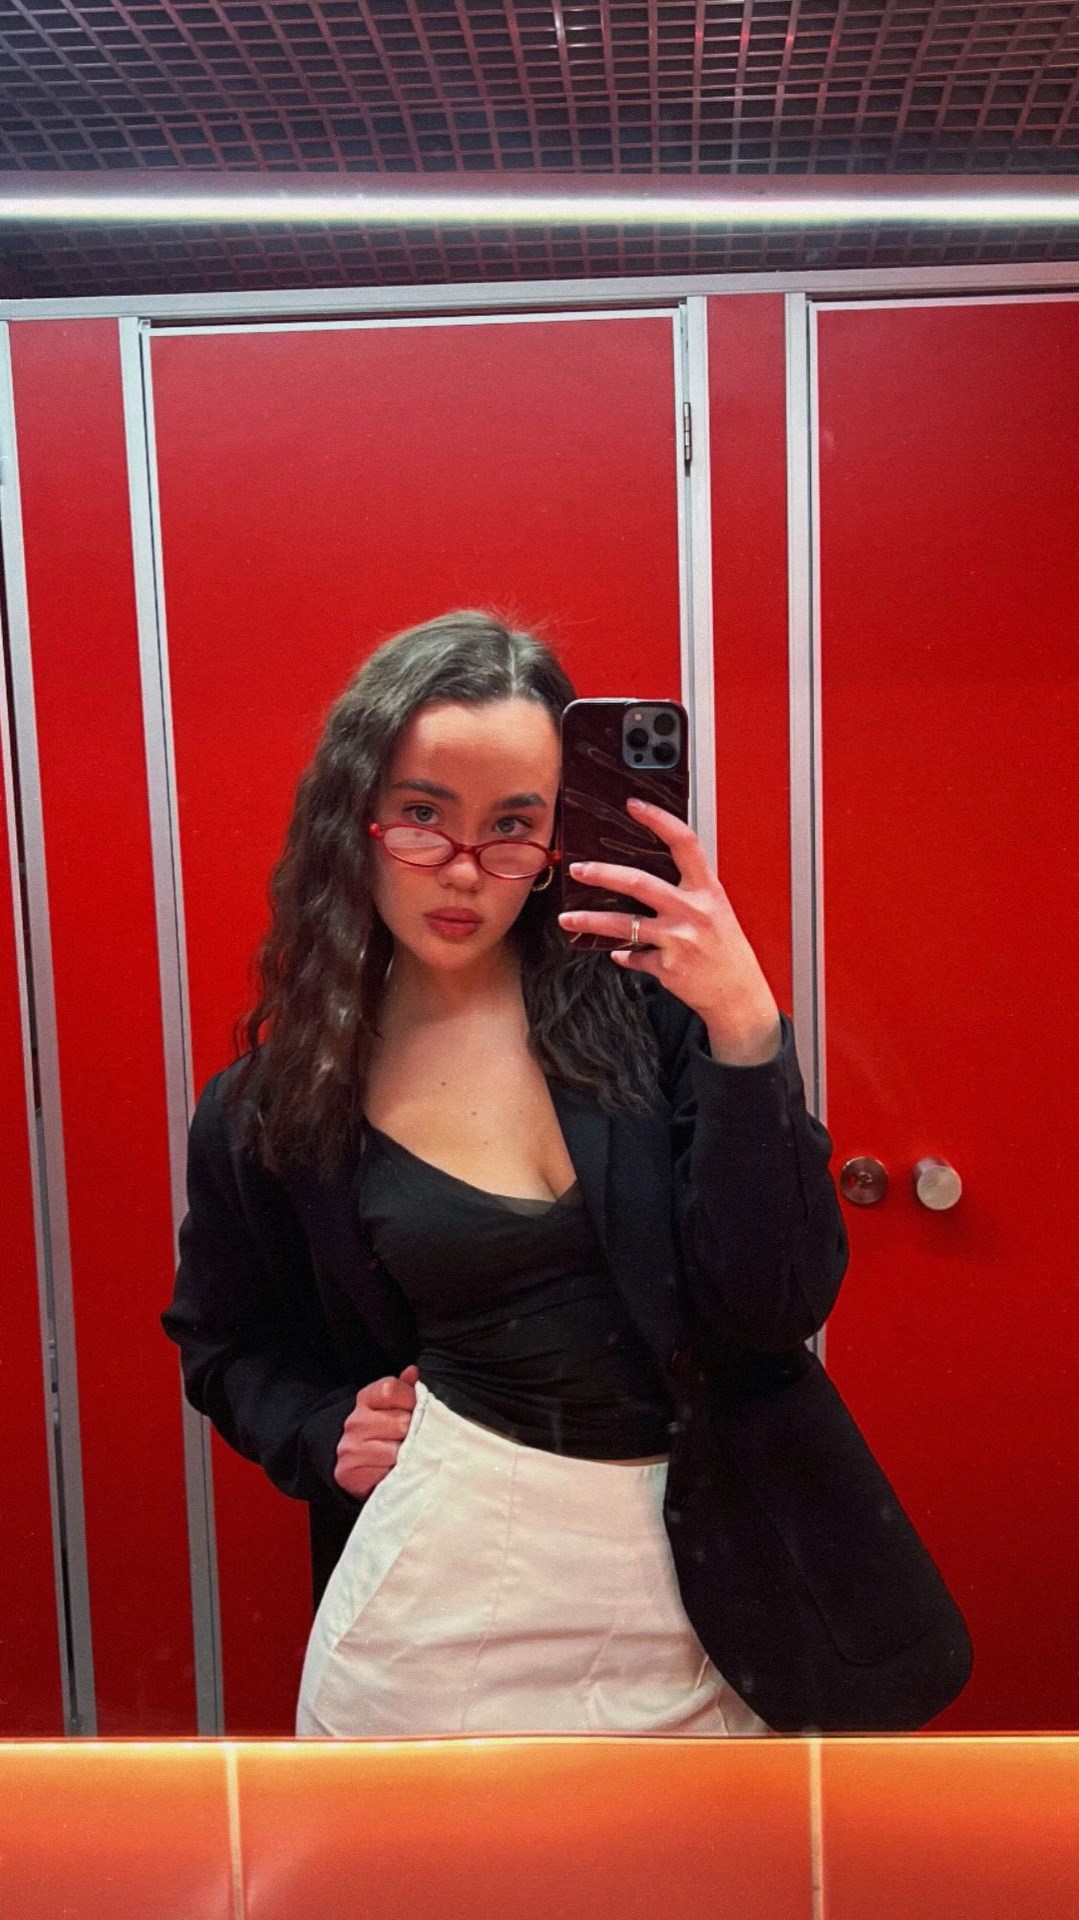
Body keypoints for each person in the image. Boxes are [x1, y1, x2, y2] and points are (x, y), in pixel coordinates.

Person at [162, 609, 972, 1738]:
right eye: (422, 817)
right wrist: (319, 1430)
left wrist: (744, 1027)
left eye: (511, 826)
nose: (464, 871)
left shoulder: (653, 1019)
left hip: (715, 1590)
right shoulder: (273, 1106)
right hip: (437, 1599)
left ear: (556, 838)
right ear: (356, 819)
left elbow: (773, 1305)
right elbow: (224, 1343)